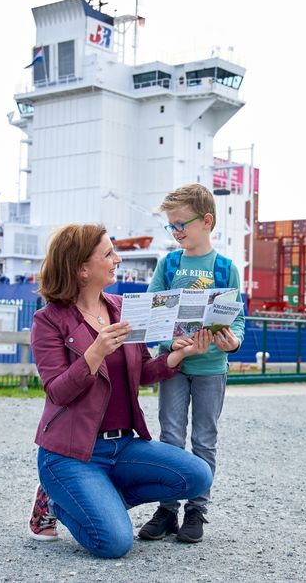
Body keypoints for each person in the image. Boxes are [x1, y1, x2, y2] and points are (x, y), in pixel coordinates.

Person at [29, 223, 213, 558]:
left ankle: (87, 498)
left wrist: (177, 355)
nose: (118, 258)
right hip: (71, 453)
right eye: (108, 253)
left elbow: (142, 371)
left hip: (123, 445)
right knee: (114, 544)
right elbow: (57, 391)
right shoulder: (49, 320)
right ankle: (54, 499)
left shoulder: (123, 307)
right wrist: (95, 353)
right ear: (82, 269)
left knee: (198, 475)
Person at [138, 184, 245, 543]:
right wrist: (173, 344)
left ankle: (197, 509)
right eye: (171, 226)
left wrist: (233, 342)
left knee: (204, 439)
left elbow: (238, 320)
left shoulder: (226, 268)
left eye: (181, 224)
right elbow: (153, 316)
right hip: (174, 365)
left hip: (212, 369)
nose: (176, 232)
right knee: (169, 438)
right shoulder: (168, 265)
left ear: (207, 221)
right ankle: (167, 508)